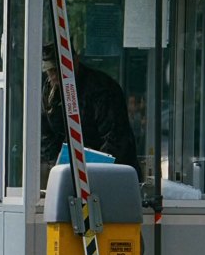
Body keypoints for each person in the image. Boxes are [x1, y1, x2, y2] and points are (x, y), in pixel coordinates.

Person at [40, 43, 143, 182]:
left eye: (56, 70)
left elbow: (115, 139)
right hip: (71, 172)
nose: (53, 77)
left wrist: (94, 172)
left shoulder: (101, 89)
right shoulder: (50, 91)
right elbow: (46, 134)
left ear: (74, 62)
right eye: (49, 71)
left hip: (112, 172)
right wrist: (58, 166)